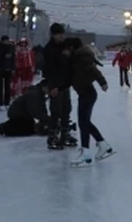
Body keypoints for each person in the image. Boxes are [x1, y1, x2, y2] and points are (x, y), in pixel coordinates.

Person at [64, 38, 114, 167]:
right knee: (84, 122)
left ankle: (87, 155)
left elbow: (94, 70)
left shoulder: (80, 59)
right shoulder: (76, 59)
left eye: (65, 49)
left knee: (83, 122)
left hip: (87, 93)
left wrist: (103, 82)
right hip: (85, 93)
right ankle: (103, 145)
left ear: (71, 48)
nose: (64, 52)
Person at [41, 22, 77, 150]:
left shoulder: (64, 47)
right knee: (56, 109)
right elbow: (47, 68)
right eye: (59, 34)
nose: (61, 36)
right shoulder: (49, 49)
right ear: (53, 35)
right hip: (55, 83)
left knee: (66, 108)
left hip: (65, 83)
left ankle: (65, 133)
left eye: (62, 34)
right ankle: (52, 135)